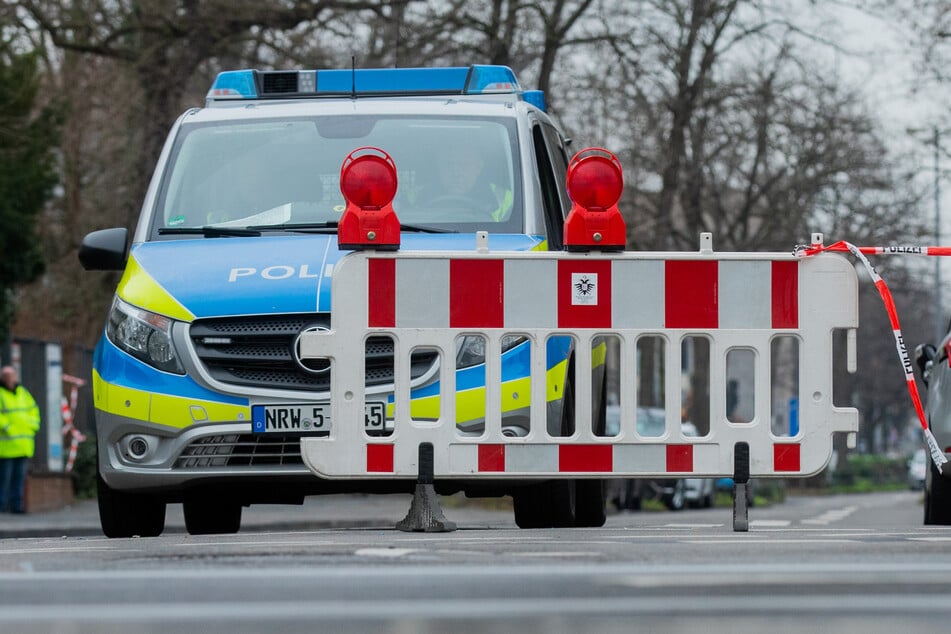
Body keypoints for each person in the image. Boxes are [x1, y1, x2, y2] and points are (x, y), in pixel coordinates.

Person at [429, 140, 513, 221]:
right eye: (448, 165)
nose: (456, 173)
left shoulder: (507, 199)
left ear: (479, 167)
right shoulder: (417, 195)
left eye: (464, 165)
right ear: (439, 167)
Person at [0, 366, 41, 514]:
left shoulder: (23, 393)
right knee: (4, 479)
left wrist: (33, 425)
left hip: (23, 445)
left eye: (11, 375)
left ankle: (17, 506)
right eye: (6, 376)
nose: (9, 379)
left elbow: (34, 410)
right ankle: (2, 506)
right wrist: (7, 427)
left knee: (19, 479)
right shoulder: (1, 394)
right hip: (6, 447)